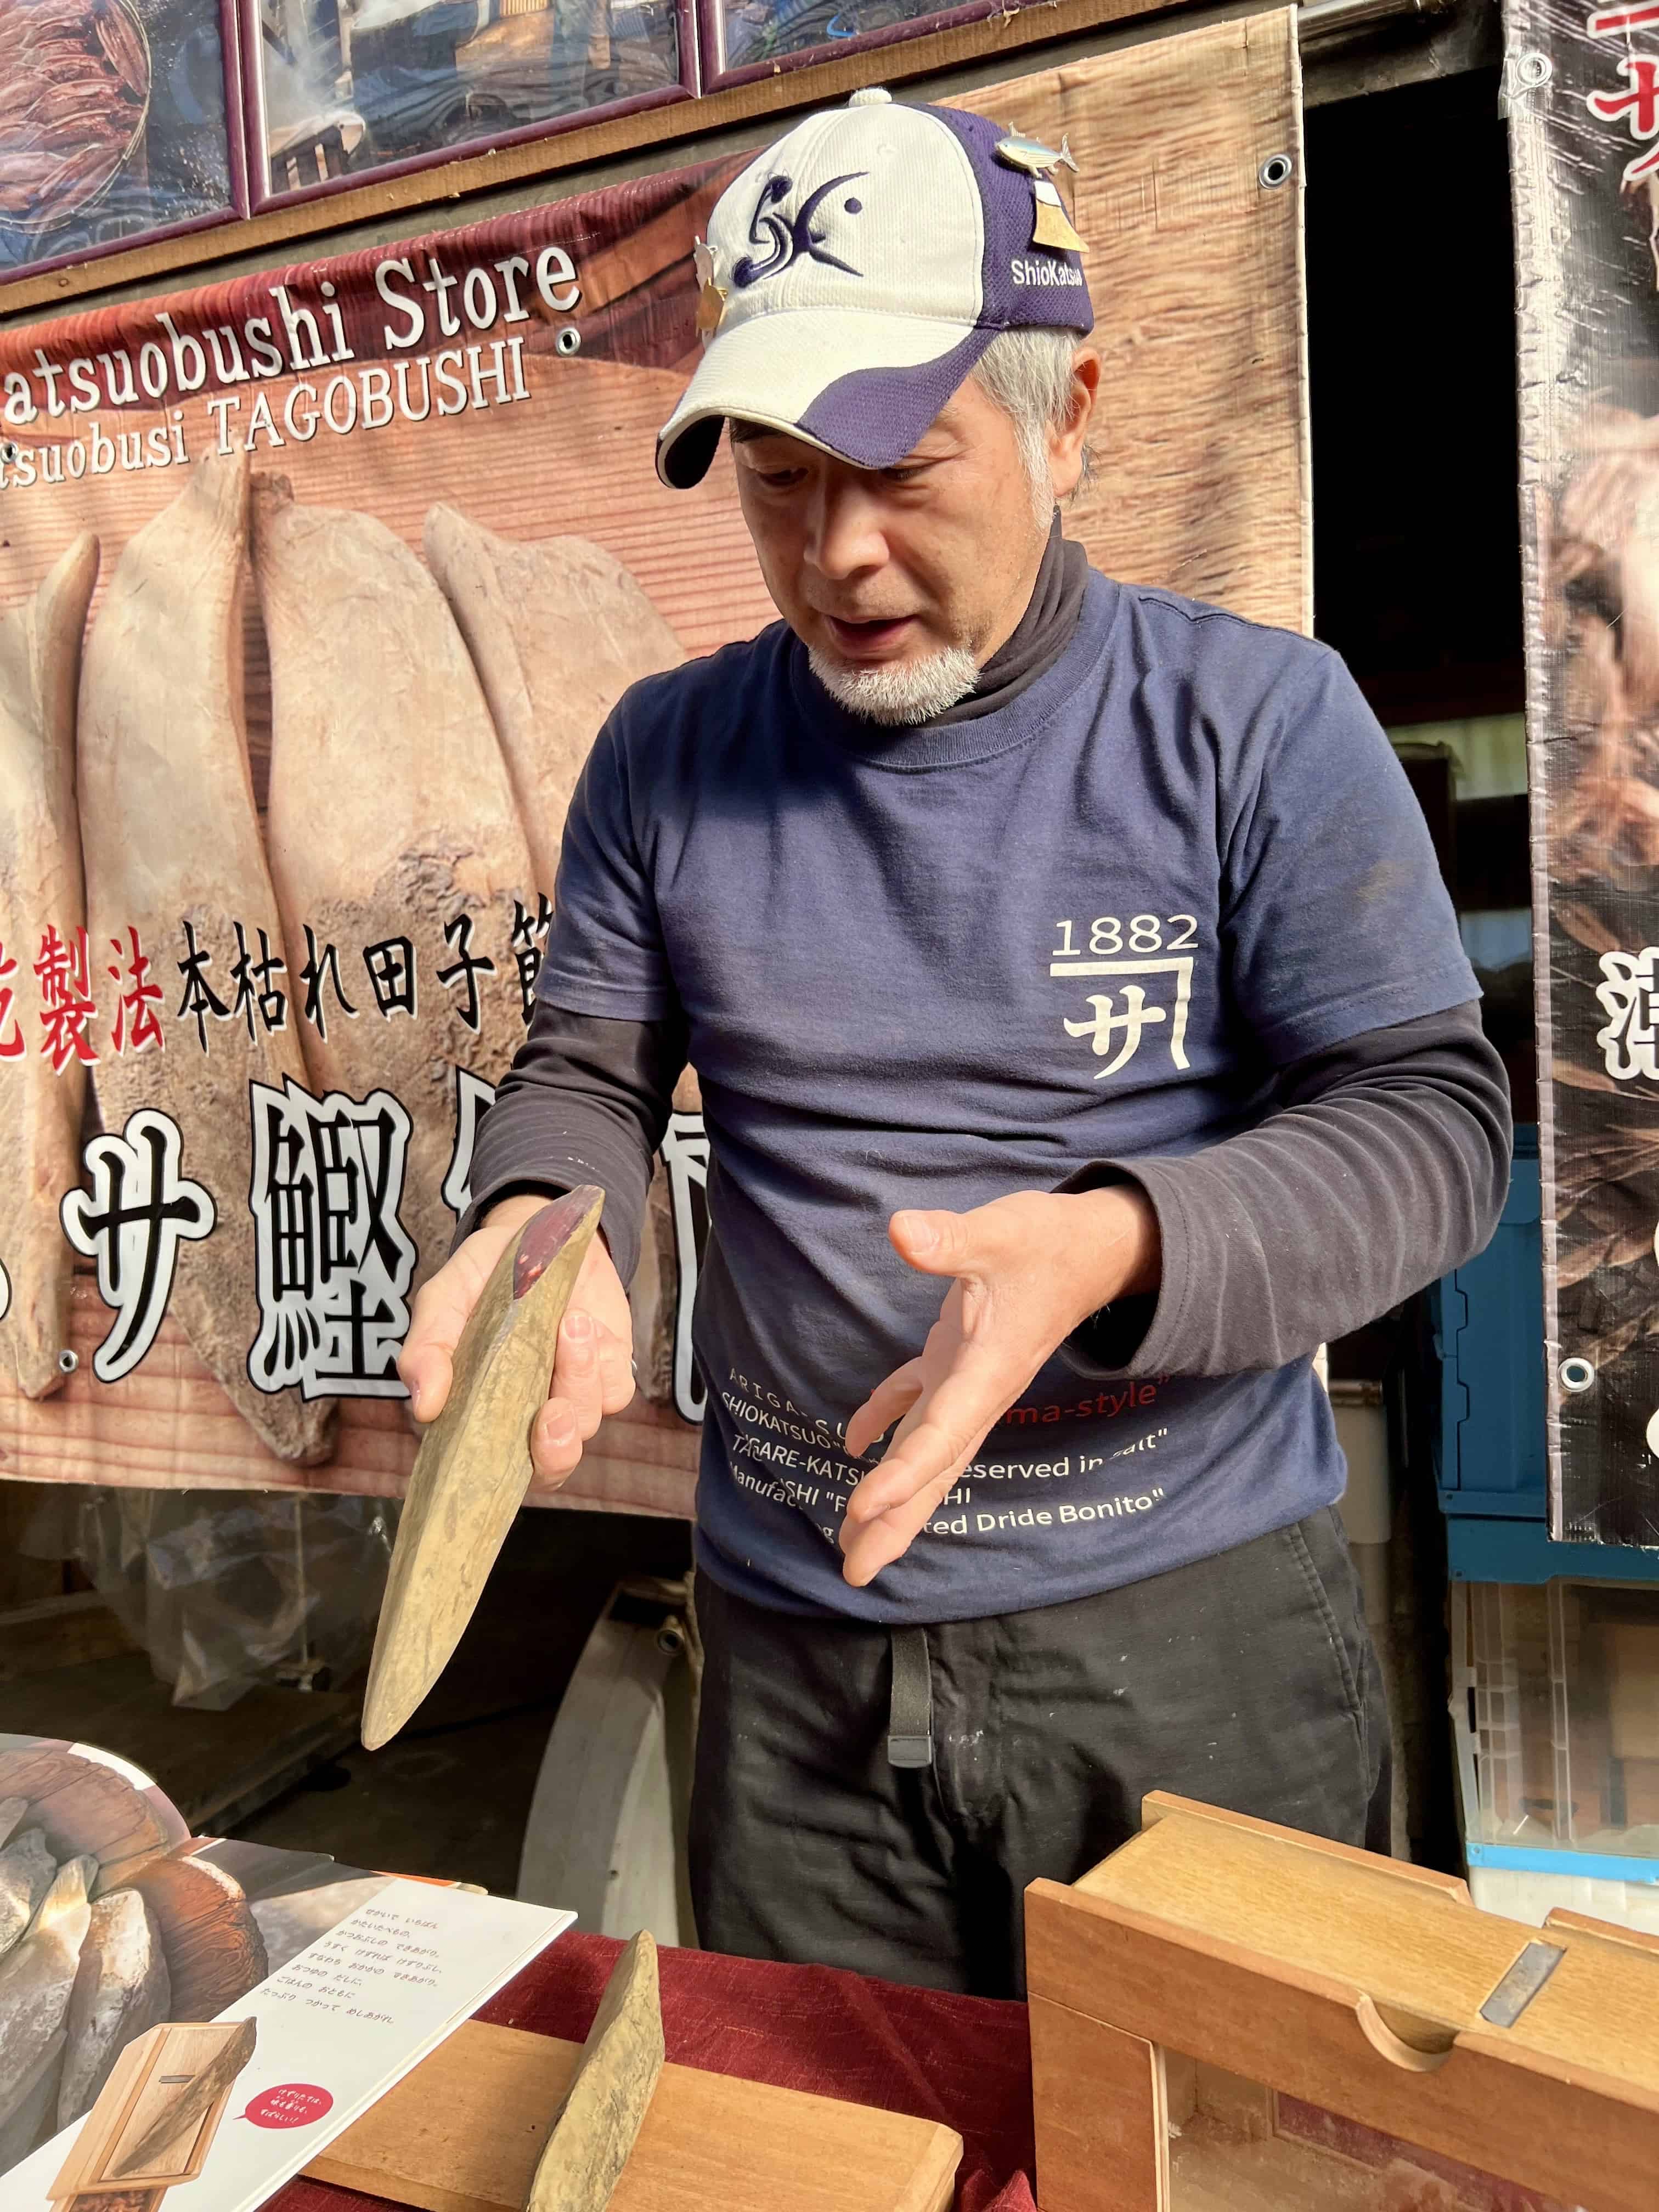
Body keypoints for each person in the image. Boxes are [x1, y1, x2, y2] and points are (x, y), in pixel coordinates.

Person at [400, 87, 1511, 1997]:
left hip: (1187, 1629)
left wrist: (1112, 1244)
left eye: (903, 462)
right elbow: (588, 1075)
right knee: (852, 2128)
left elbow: (1431, 1127)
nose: (836, 551)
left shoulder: (1256, 725)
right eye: (774, 473)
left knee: (1226, 2141)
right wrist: (544, 1226)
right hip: (796, 1637)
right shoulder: (669, 756)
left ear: (1068, 416)